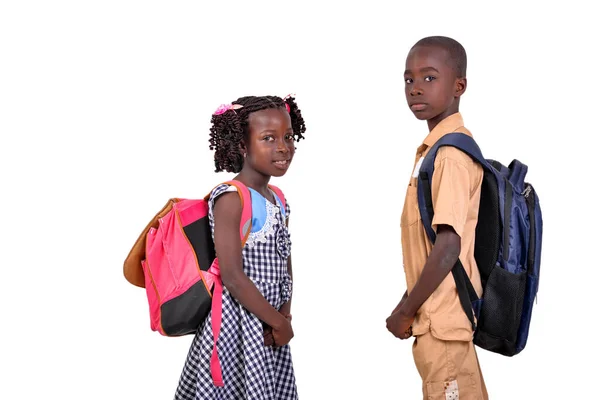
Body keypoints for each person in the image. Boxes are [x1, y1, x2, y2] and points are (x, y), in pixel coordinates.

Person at [175, 95, 306, 400]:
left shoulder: (278, 198)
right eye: (268, 138)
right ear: (243, 146)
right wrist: (276, 321)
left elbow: (284, 262)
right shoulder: (231, 198)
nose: (283, 147)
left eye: (288, 137)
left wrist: (284, 317)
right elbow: (233, 276)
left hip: (268, 327)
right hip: (237, 326)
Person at [385, 36, 489, 399]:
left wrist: (404, 309)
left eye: (429, 78)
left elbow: (448, 246)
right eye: (408, 79)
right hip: (436, 320)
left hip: (443, 323)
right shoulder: (433, 153)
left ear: (459, 85)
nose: (415, 89)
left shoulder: (448, 155)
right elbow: (430, 247)